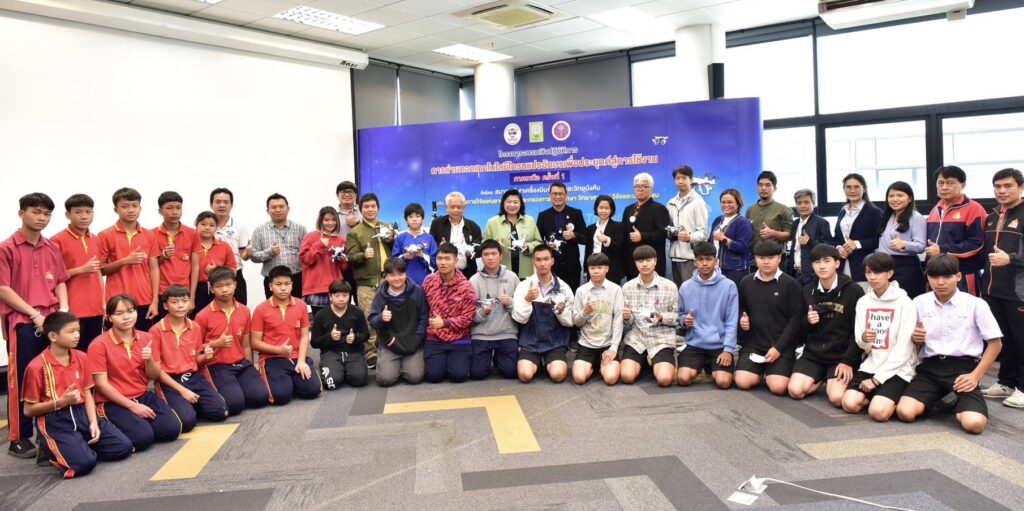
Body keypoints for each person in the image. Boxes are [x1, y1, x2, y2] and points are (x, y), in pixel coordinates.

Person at [896, 255, 1003, 434]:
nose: (940, 282)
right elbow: (911, 344)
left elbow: (995, 344)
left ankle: (959, 403)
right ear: (928, 277)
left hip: (963, 368)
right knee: (905, 412)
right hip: (930, 367)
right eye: (934, 276)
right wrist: (916, 339)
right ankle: (940, 400)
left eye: (947, 277)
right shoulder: (919, 302)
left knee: (974, 424)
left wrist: (975, 376)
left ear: (958, 276)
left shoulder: (975, 304)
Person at [1, 192, 70, 458]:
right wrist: (33, 315)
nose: (42, 218)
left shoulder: (51, 247)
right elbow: (3, 289)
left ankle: (47, 434)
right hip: (22, 322)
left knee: (51, 377)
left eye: (46, 213)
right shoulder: (7, 248)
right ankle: (18, 438)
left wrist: (63, 311)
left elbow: (60, 280)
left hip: (51, 319)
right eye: (36, 212)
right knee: (21, 379)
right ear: (22, 213)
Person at [23, 312, 132, 477]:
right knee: (84, 464)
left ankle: (76, 445)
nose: (77, 335)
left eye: (78, 331)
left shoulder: (82, 357)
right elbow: (28, 410)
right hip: (55, 419)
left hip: (82, 413)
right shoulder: (36, 366)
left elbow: (87, 392)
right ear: (53, 336)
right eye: (71, 332)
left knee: (123, 447)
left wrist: (93, 422)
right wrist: (61, 402)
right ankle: (53, 450)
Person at [87, 294, 181, 452]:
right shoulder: (98, 344)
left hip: (142, 394)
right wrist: (133, 406)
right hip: (113, 402)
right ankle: (109, 424)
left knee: (172, 430)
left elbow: (153, 375)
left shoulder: (146, 337)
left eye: (131, 311)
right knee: (143, 439)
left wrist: (149, 359)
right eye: (119, 313)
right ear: (109, 317)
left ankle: (138, 425)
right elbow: (101, 385)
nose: (126, 317)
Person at [842, 253, 917, 422]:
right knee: (849, 404)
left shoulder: (905, 303)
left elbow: (904, 349)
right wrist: (864, 338)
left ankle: (890, 398)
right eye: (868, 272)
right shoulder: (863, 301)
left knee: (878, 413)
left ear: (889, 273)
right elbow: (861, 343)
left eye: (877, 272)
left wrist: (877, 380)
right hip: (872, 363)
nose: (872, 277)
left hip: (899, 368)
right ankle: (880, 397)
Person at [788, 245, 865, 406]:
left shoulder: (854, 290)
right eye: (817, 262)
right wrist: (808, 322)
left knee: (836, 398)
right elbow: (800, 332)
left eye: (826, 261)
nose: (821, 266)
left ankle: (828, 380)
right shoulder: (807, 290)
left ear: (837, 263)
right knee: (795, 391)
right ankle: (819, 378)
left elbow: (858, 331)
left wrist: (848, 361)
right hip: (814, 354)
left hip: (840, 356)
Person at [149, 285, 228, 431]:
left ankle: (188, 405)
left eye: (184, 301)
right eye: (174, 302)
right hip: (169, 380)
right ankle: (180, 404)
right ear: (165, 306)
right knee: (187, 422)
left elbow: (196, 360)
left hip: (193, 377)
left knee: (221, 412)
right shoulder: (156, 331)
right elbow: (157, 370)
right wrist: (183, 391)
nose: (180, 305)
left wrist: (206, 357)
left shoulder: (195, 327)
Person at [194, 267, 268, 416]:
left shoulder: (244, 311)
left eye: (228, 284)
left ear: (235, 285)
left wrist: (249, 367)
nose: (225, 290)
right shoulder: (202, 316)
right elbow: (196, 350)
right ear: (212, 289)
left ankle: (237, 388)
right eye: (219, 286)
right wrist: (215, 344)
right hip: (216, 366)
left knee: (260, 398)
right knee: (235, 405)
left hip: (240, 363)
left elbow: (246, 345)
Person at [980, 168, 1024, 408]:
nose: (1002, 191)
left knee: (1021, 340)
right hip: (992, 289)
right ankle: (1006, 382)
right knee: (1003, 339)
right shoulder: (992, 215)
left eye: (1008, 186)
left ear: (1021, 187)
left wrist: (1012, 259)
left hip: (1018, 291)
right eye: (997, 186)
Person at [735, 240, 803, 395]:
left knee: (778, 387)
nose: (766, 262)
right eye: (761, 257)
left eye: (771, 257)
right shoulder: (746, 282)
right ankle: (760, 371)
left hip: (781, 345)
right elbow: (741, 310)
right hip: (754, 344)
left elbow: (796, 319)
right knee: (742, 382)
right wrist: (742, 320)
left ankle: (774, 371)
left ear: (779, 258)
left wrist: (779, 348)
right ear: (755, 258)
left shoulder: (790, 284)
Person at [250, 266, 321, 405]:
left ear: (292, 285)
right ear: (270, 286)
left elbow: (304, 336)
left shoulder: (301, 305)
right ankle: (287, 382)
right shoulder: (261, 309)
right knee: (281, 397)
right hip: (272, 358)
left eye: (287, 284)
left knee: (313, 390)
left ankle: (294, 378)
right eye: (278, 284)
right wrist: (278, 350)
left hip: (296, 357)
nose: (283, 288)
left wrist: (301, 361)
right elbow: (255, 343)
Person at [676, 242, 738, 389]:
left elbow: (732, 320)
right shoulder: (686, 287)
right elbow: (681, 315)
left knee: (723, 382)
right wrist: (685, 320)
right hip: (695, 344)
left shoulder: (729, 286)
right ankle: (704, 365)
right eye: (700, 259)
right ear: (695, 262)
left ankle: (711, 366)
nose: (704, 263)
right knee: (683, 379)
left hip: (719, 345)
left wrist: (728, 350)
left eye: (709, 259)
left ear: (716, 261)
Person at [98, 187, 159, 330]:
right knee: (115, 341)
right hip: (116, 300)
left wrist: (155, 301)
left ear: (140, 208)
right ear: (116, 209)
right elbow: (100, 270)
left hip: (144, 299)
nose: (131, 210)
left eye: (135, 206)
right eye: (125, 206)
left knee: (142, 340)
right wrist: (125, 261)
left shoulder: (149, 235)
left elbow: (154, 268)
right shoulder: (105, 235)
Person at [619, 245, 680, 387]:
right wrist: (627, 317)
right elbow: (628, 323)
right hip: (637, 339)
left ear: (655, 261)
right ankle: (646, 364)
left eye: (648, 260)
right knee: (627, 377)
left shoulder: (670, 286)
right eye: (640, 261)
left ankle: (654, 364)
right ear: (635, 263)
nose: (644, 264)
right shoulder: (627, 287)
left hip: (661, 338)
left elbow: (678, 317)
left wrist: (661, 317)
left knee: (664, 380)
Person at [348, 193, 397, 370]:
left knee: (389, 316)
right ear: (361, 210)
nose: (370, 209)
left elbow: (396, 249)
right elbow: (351, 257)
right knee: (369, 318)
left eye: (373, 206)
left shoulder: (387, 227)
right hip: (367, 283)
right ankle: (370, 353)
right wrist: (363, 255)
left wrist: (391, 238)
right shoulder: (355, 232)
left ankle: (387, 347)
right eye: (366, 207)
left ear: (378, 208)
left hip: (389, 280)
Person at [512, 244, 574, 383]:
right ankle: (536, 362)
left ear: (552, 261)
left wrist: (561, 312)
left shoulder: (564, 288)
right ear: (533, 262)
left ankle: (550, 362)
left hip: (555, 342)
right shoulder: (524, 286)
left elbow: (570, 322)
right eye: (538, 259)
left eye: (546, 259)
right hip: (530, 342)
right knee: (525, 375)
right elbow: (519, 319)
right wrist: (527, 299)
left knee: (558, 375)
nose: (542, 263)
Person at [50, 194, 104, 350]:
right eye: (78, 212)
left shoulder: (95, 239)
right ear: (67, 215)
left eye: (88, 212)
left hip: (96, 307)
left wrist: (103, 302)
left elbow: (98, 272)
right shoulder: (57, 240)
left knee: (93, 350)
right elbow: (53, 277)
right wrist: (81, 269)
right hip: (73, 308)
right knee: (73, 352)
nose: (84, 216)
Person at [925, 166, 986, 295]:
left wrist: (942, 250)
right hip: (937, 273)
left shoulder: (974, 208)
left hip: (963, 273)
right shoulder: (935, 209)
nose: (944, 187)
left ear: (963, 185)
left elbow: (976, 244)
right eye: (940, 183)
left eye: (950, 183)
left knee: (966, 307)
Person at [368, 257, 428, 387]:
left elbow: (424, 317)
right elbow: (372, 321)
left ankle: (404, 364)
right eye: (392, 275)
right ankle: (393, 363)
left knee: (415, 377)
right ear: (385, 276)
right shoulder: (380, 294)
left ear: (406, 273)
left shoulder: (417, 291)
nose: (397, 278)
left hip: (412, 341)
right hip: (390, 343)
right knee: (385, 379)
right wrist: (381, 318)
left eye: (400, 274)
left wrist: (417, 338)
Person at [422, 243, 476, 383]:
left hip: (459, 338)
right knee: (434, 377)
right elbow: (422, 309)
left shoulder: (466, 287)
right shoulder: (429, 281)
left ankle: (452, 363)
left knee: (458, 376)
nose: (443, 262)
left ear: (456, 261)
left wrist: (445, 323)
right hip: (434, 337)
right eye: (439, 258)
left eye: (447, 258)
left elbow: (468, 318)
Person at [468, 240, 520, 380]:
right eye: (486, 254)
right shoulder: (473, 280)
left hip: (507, 333)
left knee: (511, 372)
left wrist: (509, 302)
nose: (490, 258)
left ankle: (499, 357)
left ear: (501, 256)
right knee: (477, 374)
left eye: (494, 254)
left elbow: (521, 310)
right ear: (481, 257)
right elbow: (469, 315)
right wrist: (483, 312)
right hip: (481, 335)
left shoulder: (512, 277)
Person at [571, 253, 624, 385]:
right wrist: (585, 312)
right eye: (592, 268)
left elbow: (618, 320)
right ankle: (593, 366)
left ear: (607, 269)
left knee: (610, 379)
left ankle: (601, 367)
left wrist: (614, 348)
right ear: (588, 270)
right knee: (579, 378)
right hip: (586, 344)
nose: (596, 271)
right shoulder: (581, 291)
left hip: (607, 345)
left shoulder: (616, 289)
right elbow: (577, 323)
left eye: (600, 268)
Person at [310, 280, 369, 389]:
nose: (341, 299)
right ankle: (335, 369)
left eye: (345, 295)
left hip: (353, 352)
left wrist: (356, 338)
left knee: (359, 380)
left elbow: (366, 334)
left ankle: (346, 370)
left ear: (349, 296)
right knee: (332, 383)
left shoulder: (357, 312)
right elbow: (314, 342)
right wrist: (329, 337)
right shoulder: (321, 315)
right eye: (337, 296)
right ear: (330, 296)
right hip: (331, 352)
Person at [151, 191, 200, 313]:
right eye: (169, 208)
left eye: (178, 208)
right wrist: (163, 256)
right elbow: (150, 266)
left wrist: (192, 298)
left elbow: (195, 266)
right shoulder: (151, 234)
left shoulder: (193, 234)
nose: (175, 212)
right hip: (162, 292)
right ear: (160, 211)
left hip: (184, 292)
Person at [251, 193, 307, 299]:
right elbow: (253, 257)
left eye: (281, 206)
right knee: (273, 308)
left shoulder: (300, 229)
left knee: (297, 307)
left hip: (296, 278)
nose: (278, 210)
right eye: (274, 207)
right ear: (267, 210)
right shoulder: (259, 230)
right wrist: (269, 252)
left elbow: (306, 254)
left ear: (288, 209)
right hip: (272, 280)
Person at [876, 181, 926, 298]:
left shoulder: (916, 217)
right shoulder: (888, 216)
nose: (894, 199)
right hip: (884, 265)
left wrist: (904, 244)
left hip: (906, 267)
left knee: (906, 301)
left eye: (900, 195)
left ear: (910, 199)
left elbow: (921, 246)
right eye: (891, 196)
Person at [834, 174, 883, 288]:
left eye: (856, 187)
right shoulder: (843, 211)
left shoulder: (874, 212)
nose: (852, 190)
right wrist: (839, 248)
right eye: (848, 187)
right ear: (844, 189)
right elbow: (836, 238)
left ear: (864, 189)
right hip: (842, 264)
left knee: (863, 296)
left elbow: (879, 240)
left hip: (864, 266)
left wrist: (857, 244)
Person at [537, 182, 589, 291]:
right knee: (551, 298)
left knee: (571, 297)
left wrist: (574, 235)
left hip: (572, 267)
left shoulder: (576, 213)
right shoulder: (543, 216)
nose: (558, 196)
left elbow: (586, 238)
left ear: (566, 196)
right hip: (550, 267)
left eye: (561, 194)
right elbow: (538, 240)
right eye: (555, 194)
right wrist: (547, 246)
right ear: (550, 196)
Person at [483, 189, 542, 280]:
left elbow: (539, 243)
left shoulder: (529, 220)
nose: (512, 205)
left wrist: (528, 246)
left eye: (515, 202)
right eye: (508, 202)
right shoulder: (492, 222)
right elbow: (484, 245)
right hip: (501, 272)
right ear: (503, 203)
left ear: (521, 204)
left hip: (525, 272)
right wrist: (496, 246)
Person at [300, 207, 348, 317]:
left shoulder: (340, 239)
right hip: (318, 287)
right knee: (321, 321)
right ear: (320, 221)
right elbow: (305, 260)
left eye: (333, 220)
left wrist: (343, 260)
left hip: (336, 287)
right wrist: (319, 245)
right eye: (326, 220)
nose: (330, 223)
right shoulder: (312, 236)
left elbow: (344, 267)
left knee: (338, 320)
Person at [621, 173, 671, 280]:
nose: (640, 189)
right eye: (637, 186)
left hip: (651, 264)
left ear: (651, 189)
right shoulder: (628, 209)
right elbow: (624, 236)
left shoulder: (659, 209)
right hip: (631, 264)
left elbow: (663, 233)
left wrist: (642, 236)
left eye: (644, 186)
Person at [667, 166, 709, 287]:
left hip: (691, 257)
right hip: (675, 257)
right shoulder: (671, 203)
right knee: (680, 292)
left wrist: (689, 237)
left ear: (691, 180)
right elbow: (669, 228)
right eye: (677, 178)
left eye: (684, 178)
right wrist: (670, 232)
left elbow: (703, 233)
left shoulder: (698, 202)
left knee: (692, 291)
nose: (680, 181)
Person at [210, 188, 252, 304]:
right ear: (211, 205)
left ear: (231, 205)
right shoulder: (205, 227)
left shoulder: (240, 228)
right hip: (211, 276)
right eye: (218, 202)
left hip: (234, 275)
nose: (222, 205)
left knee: (239, 310)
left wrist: (248, 254)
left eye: (226, 202)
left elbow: (243, 256)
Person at [429, 191, 483, 279]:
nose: (455, 210)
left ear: (463, 208)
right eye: (452, 207)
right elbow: (431, 246)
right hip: (443, 274)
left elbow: (479, 249)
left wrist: (471, 252)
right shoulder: (437, 224)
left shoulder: (473, 226)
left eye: (459, 207)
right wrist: (440, 247)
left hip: (467, 274)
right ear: (446, 207)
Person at [786, 189, 832, 286]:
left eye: (806, 202)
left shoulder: (822, 223)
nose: (802, 206)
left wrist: (810, 242)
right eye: (799, 203)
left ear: (814, 204)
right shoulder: (795, 223)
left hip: (813, 275)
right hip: (794, 274)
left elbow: (828, 249)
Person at [194, 211, 237, 314]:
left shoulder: (224, 246)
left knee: (218, 316)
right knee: (196, 317)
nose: (207, 228)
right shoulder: (190, 245)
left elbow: (233, 271)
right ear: (196, 225)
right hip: (195, 288)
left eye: (212, 225)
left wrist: (217, 271)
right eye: (203, 224)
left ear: (216, 228)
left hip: (219, 288)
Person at [710, 189, 753, 288]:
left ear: (738, 204)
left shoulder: (744, 222)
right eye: (723, 202)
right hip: (716, 268)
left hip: (735, 270)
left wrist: (724, 239)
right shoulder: (717, 220)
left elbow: (743, 247)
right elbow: (710, 242)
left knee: (733, 296)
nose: (726, 205)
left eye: (729, 202)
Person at [745, 171, 793, 256]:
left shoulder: (783, 209)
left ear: (775, 188)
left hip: (775, 257)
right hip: (754, 258)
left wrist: (773, 233)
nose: (763, 188)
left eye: (768, 185)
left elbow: (790, 235)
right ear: (757, 188)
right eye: (760, 185)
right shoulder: (750, 210)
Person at [584, 195, 625, 285]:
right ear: (596, 209)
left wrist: (607, 240)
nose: (603, 211)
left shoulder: (618, 226)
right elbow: (587, 251)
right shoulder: (590, 228)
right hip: (593, 268)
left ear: (611, 210)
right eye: (601, 207)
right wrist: (586, 270)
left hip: (611, 269)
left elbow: (619, 246)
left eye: (606, 208)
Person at [393, 203, 437, 286]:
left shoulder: (429, 238)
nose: (414, 219)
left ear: (422, 219)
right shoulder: (400, 237)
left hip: (425, 282)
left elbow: (435, 262)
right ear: (406, 220)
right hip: (404, 283)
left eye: (417, 216)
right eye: (411, 216)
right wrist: (405, 257)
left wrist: (422, 256)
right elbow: (393, 262)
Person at [335, 181, 362, 297]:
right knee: (341, 295)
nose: (347, 194)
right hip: (339, 261)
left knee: (359, 295)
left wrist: (358, 223)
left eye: (350, 191)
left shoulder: (363, 211)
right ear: (337, 195)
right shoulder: (332, 214)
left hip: (360, 260)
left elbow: (371, 229)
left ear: (355, 195)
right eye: (343, 191)